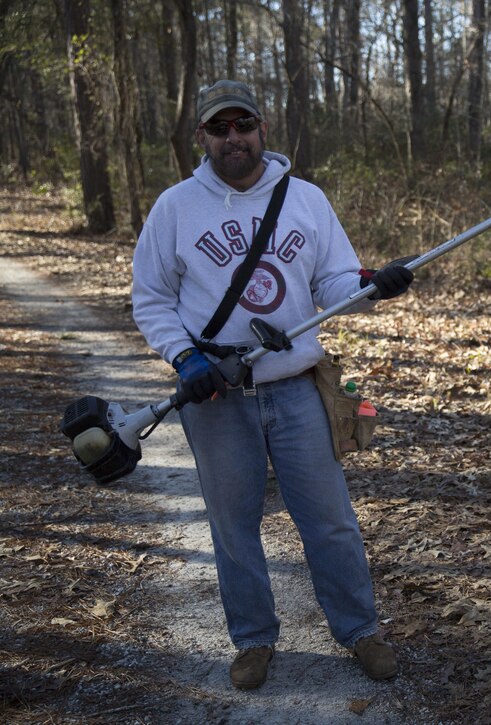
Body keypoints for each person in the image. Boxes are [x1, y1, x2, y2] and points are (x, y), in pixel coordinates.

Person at [131, 79, 413, 690]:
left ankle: (360, 629)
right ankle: (254, 639)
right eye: (220, 128)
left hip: (296, 389)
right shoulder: (175, 208)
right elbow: (151, 299)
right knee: (233, 526)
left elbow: (336, 282)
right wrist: (185, 359)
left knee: (329, 518)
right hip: (215, 396)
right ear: (201, 136)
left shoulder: (306, 200)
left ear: (263, 129)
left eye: (244, 125)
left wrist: (370, 287)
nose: (234, 138)